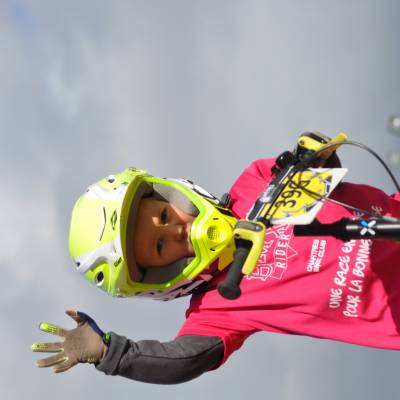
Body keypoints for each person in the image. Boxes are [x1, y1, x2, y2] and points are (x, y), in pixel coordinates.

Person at [32, 137, 400, 384]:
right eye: (160, 247)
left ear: (169, 194)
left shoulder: (256, 181)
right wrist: (112, 353)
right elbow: (181, 359)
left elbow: (325, 177)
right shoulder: (216, 310)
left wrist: (314, 151)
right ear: (158, 277)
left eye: (164, 215)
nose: (175, 230)